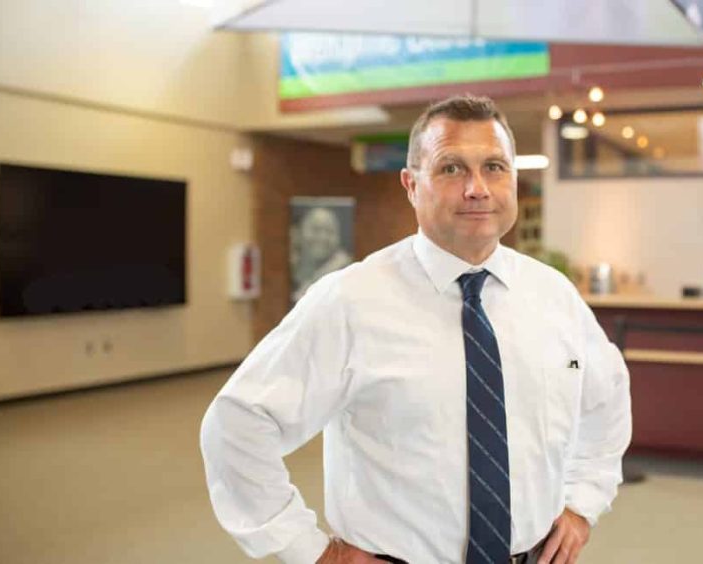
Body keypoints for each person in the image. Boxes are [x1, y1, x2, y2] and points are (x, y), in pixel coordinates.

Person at [200, 95, 632, 564]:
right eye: (451, 168)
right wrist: (311, 551)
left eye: (494, 167)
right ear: (411, 184)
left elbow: (605, 399)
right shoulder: (350, 300)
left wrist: (583, 503)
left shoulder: (554, 295)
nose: (477, 188)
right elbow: (238, 424)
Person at [291, 206, 354, 301]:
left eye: (330, 231)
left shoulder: (348, 272)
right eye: (315, 229)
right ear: (298, 233)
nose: (323, 237)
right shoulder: (290, 266)